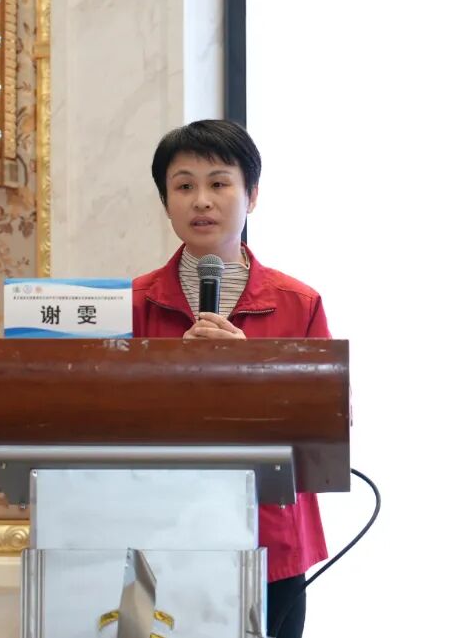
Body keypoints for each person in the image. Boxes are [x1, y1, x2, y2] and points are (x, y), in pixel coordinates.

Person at [132, 119, 329, 638]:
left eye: (219, 183)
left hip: (271, 540)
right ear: (166, 201)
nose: (202, 200)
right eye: (184, 186)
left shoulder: (299, 303)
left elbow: (328, 420)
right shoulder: (131, 304)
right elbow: (104, 416)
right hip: (159, 535)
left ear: (252, 195)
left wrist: (251, 369)